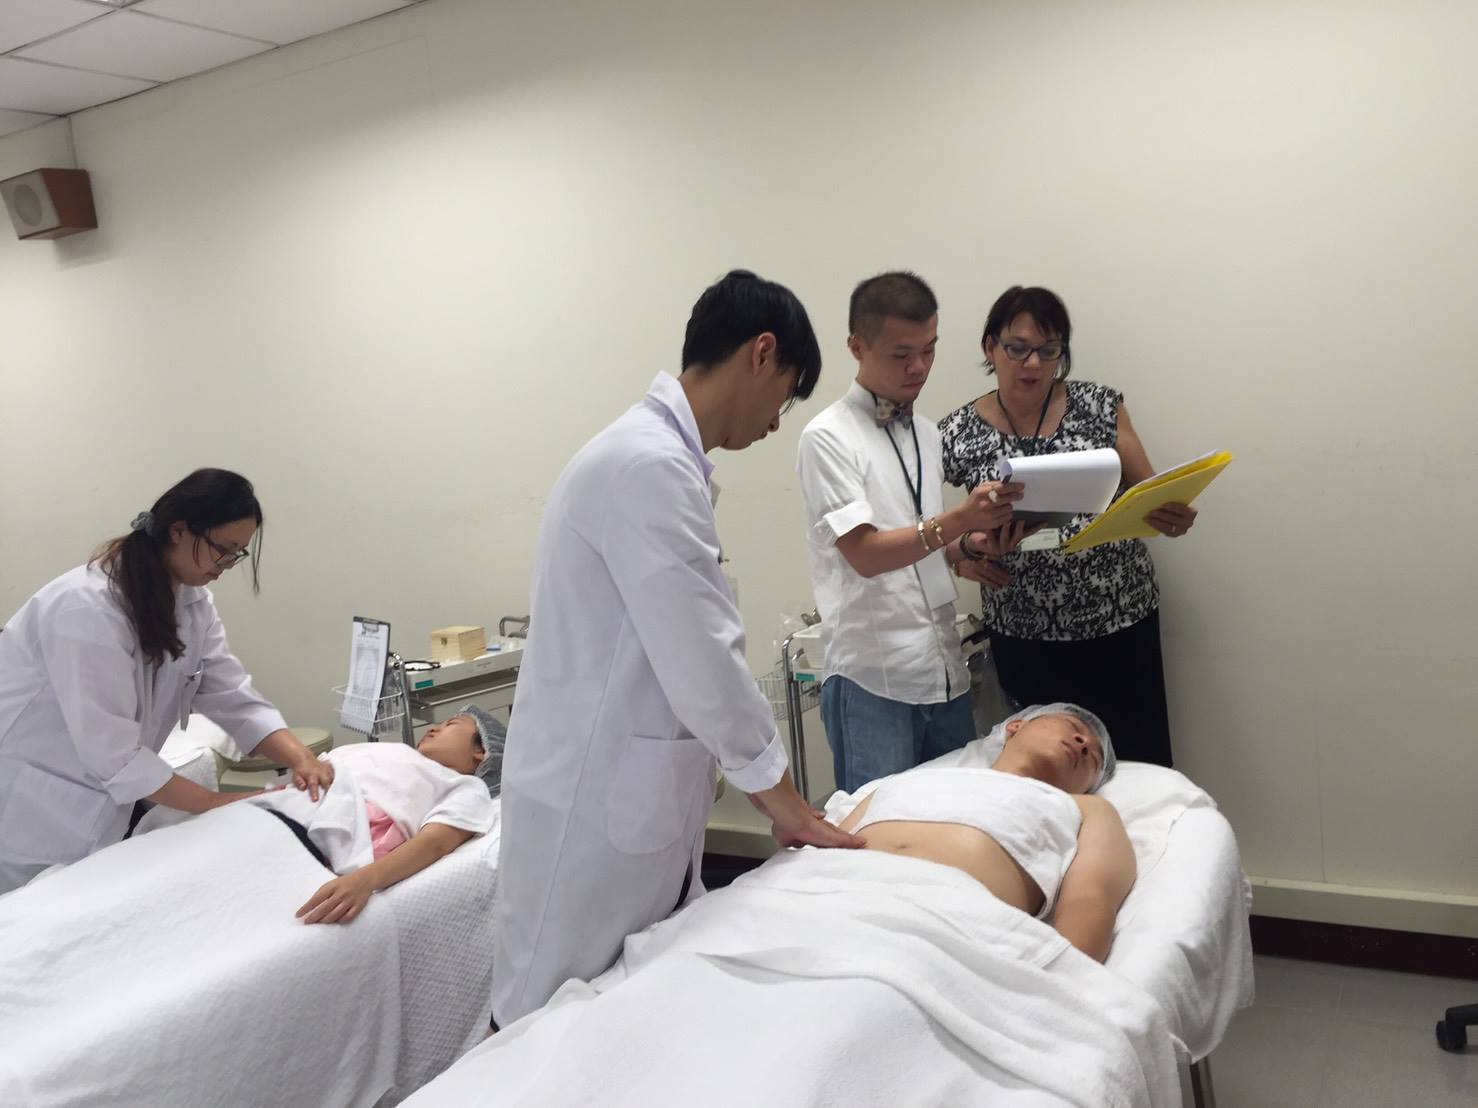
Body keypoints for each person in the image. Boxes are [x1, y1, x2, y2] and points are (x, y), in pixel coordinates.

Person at [491, 269, 863, 1029]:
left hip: (624, 799)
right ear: (761, 353)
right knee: (546, 1027)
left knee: (613, 1015)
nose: (777, 422)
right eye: (787, 396)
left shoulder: (655, 460)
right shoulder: (646, 465)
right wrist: (786, 805)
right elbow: (705, 659)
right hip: (591, 811)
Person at [0, 468, 332, 895]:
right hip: (34, 806)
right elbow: (114, 754)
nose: (227, 565)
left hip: (99, 802)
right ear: (178, 531)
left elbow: (231, 694)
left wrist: (301, 759)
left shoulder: (192, 601)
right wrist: (213, 803)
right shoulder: (85, 608)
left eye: (238, 554)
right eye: (223, 550)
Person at [938, 287, 1197, 766]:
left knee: (1137, 762)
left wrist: (1171, 515)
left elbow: (1148, 491)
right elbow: (936, 536)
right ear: (990, 348)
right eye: (1018, 348)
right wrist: (967, 554)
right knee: (1045, 771)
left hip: (1118, 617)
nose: (1033, 363)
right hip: (1024, 629)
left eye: (1049, 349)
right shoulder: (955, 432)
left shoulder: (1099, 405)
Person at [796, 272, 1022, 794]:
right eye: (901, 354)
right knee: (881, 830)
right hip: (874, 677)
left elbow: (920, 541)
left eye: (929, 349)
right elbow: (866, 554)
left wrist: (970, 546)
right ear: (857, 347)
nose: (919, 367)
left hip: (943, 668)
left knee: (953, 820)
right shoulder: (827, 437)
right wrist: (960, 519)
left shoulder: (926, 432)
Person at [837, 702, 1132, 961]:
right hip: (835, 896)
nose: (1083, 743)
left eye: (1094, 758)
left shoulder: (1084, 809)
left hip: (942, 929)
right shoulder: (905, 781)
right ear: (1015, 726)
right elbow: (833, 843)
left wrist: (1061, 983)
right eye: (1072, 726)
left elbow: (1089, 901)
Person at [289, 706, 504, 925]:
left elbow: (435, 842)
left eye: (451, 724)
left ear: (482, 751)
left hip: (307, 838)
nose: (432, 729)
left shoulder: (467, 788)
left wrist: (365, 880)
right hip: (288, 805)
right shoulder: (395, 752)